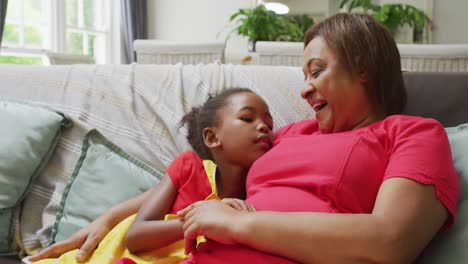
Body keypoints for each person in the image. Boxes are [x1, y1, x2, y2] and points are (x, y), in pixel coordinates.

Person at [31, 13, 460, 264]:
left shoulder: (412, 134)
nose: (305, 90)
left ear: (363, 66)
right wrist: (109, 219)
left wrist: (240, 223)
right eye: (303, 76)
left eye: (316, 71)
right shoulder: (288, 134)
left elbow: (391, 241)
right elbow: (198, 177)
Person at [30, 88, 273, 263]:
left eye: (269, 124)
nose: (264, 127)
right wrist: (203, 220)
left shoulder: (265, 190)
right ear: (212, 137)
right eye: (247, 118)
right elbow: (136, 236)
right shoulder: (189, 167)